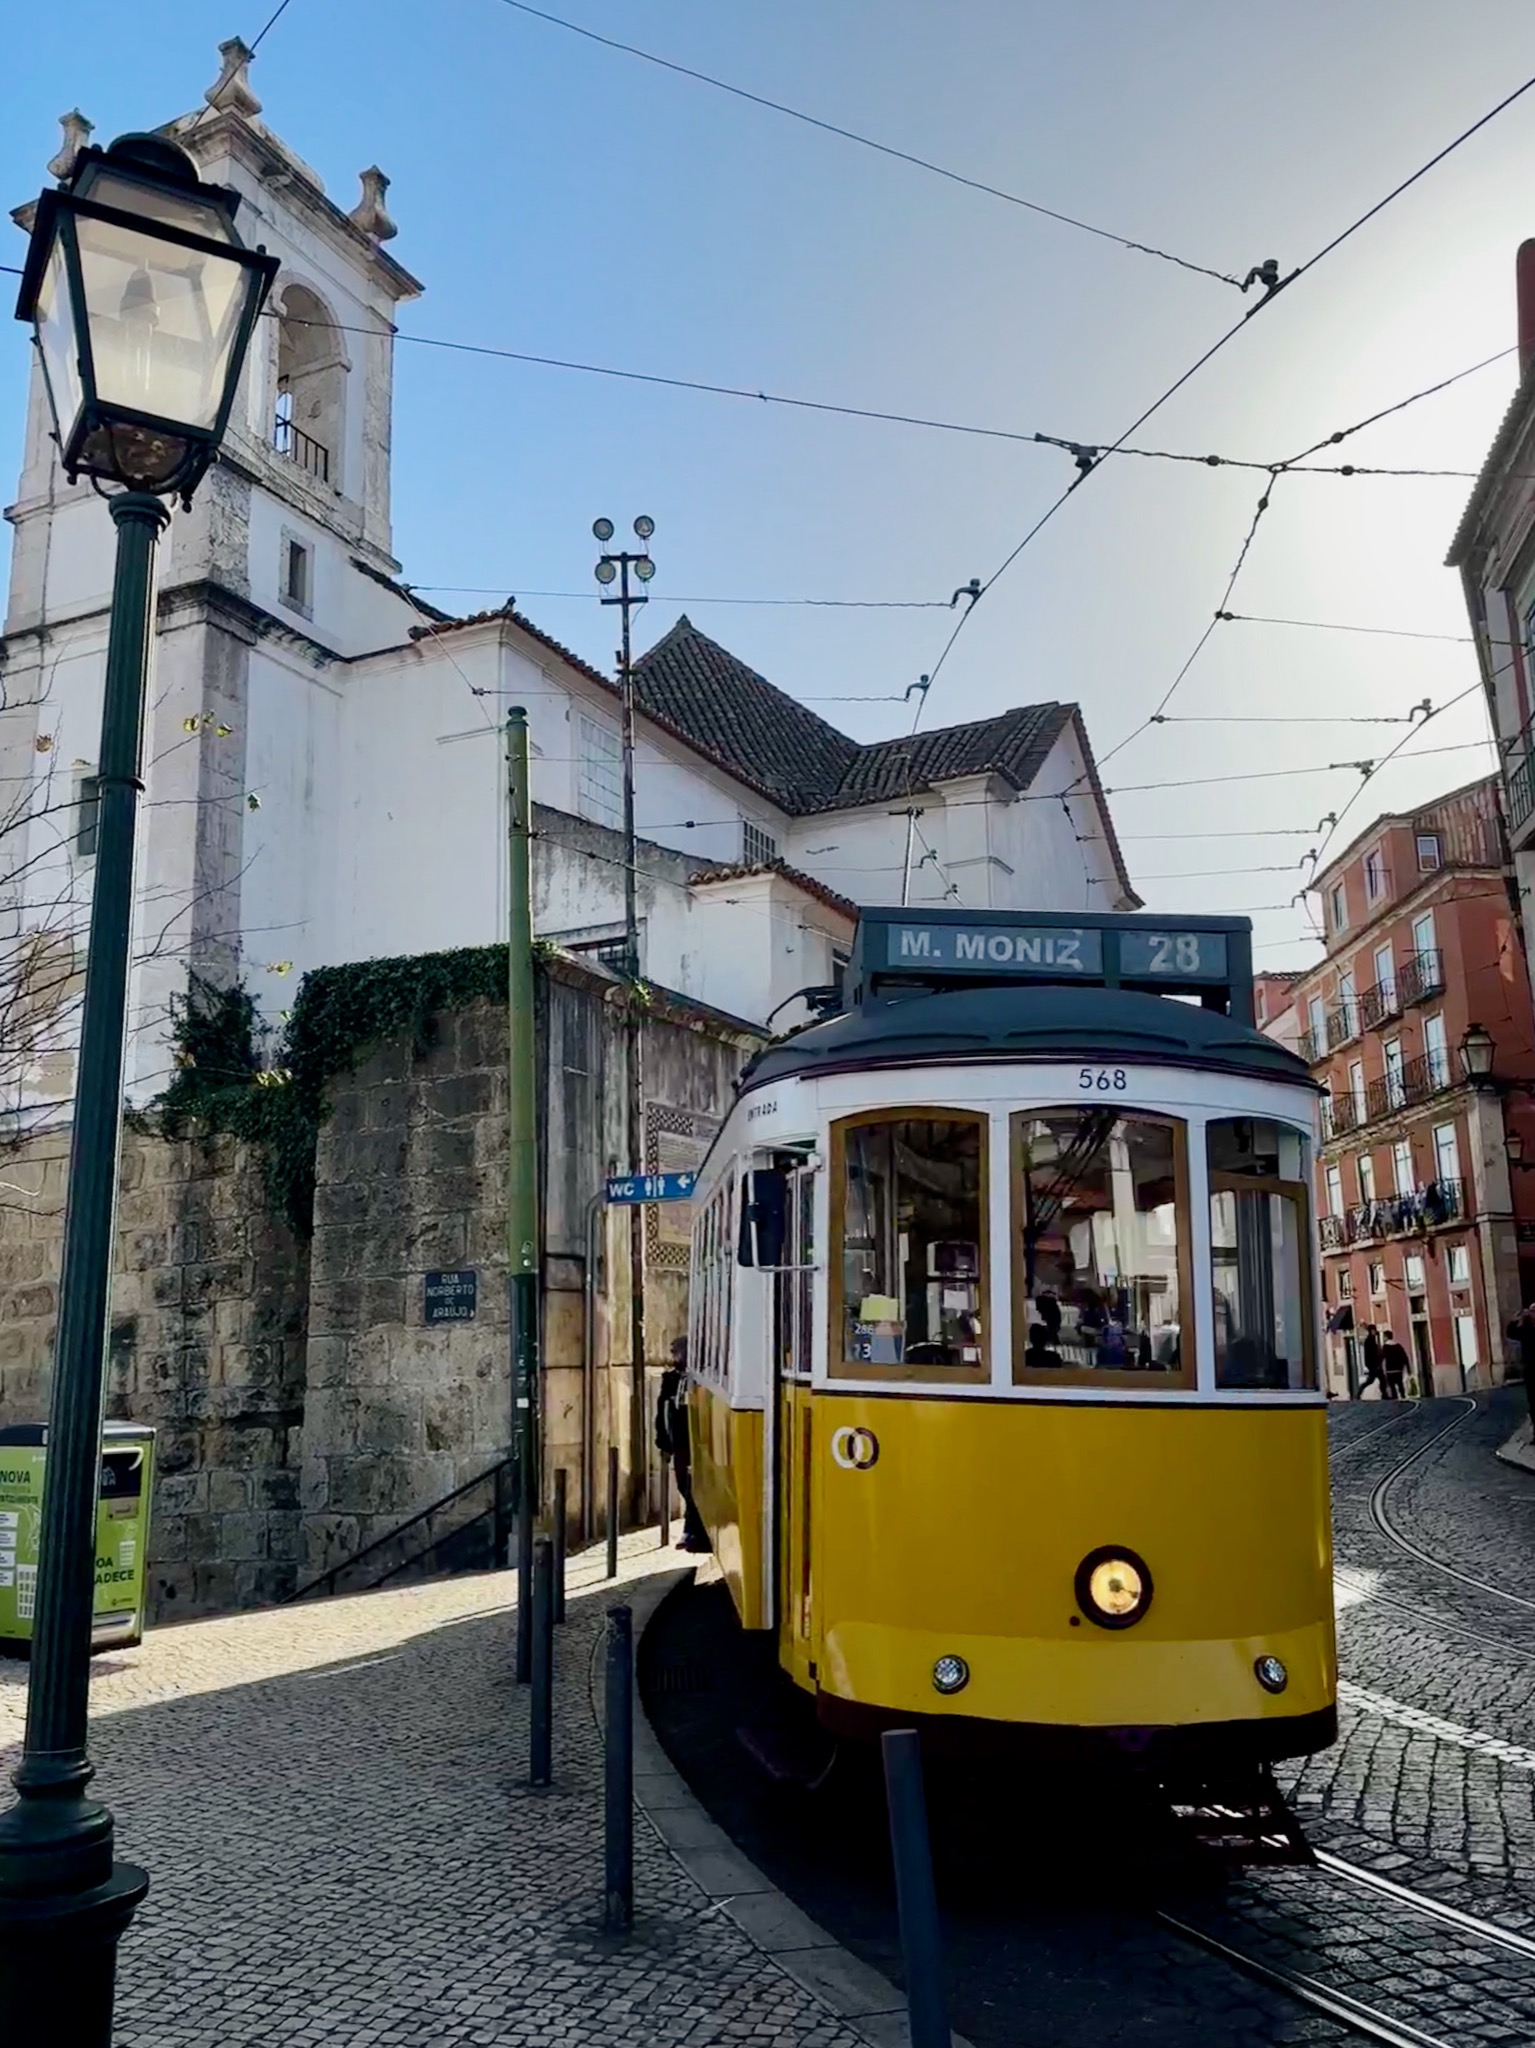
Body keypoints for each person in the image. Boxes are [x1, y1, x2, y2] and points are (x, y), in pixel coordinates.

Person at [655, 1337, 710, 1553]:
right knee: (682, 1485)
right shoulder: (671, 1380)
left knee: (691, 1486)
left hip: (697, 1442)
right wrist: (663, 1443)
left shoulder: (700, 1378)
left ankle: (691, 1529)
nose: (673, 1356)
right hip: (678, 1442)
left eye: (676, 1351)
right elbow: (662, 1413)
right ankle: (693, 1528)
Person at [1505, 1302, 1535, 1422]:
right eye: (1532, 1311)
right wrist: (1514, 1320)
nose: (1533, 1313)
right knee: (1532, 1399)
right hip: (1530, 1369)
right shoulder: (1525, 1329)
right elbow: (1511, 1333)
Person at [1380, 1330, 1411, 1400]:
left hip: (1390, 1370)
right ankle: (1403, 1396)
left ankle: (1395, 1398)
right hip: (1399, 1369)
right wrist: (1408, 1368)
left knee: (1392, 1385)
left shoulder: (1385, 1347)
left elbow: (1381, 1358)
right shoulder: (1398, 1346)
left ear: (1386, 1337)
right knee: (1400, 1384)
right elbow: (1405, 1357)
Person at [1359, 1324, 1386, 1399]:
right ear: (1370, 1331)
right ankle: (1360, 1390)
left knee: (1381, 1379)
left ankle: (1384, 1394)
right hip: (1373, 1364)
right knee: (1372, 1380)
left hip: (1375, 1363)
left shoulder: (1373, 1339)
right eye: (1373, 1330)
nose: (1375, 1332)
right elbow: (1371, 1354)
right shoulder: (1369, 1341)